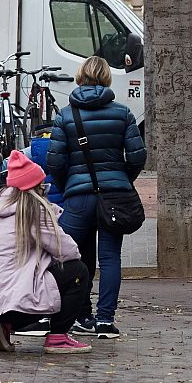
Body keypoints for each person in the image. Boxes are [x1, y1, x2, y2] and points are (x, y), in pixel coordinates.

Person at [47, 56, 146, 340]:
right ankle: (106, 320)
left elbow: (55, 162)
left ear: (79, 78)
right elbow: (138, 156)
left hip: (78, 199)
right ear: (106, 79)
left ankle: (82, 314)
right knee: (111, 257)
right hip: (114, 197)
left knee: (73, 257)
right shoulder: (123, 113)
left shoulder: (66, 115)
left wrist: (69, 186)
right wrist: (123, 178)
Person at [0, 151, 95, 355]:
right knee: (77, 271)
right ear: (34, 187)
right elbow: (65, 250)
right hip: (9, 291)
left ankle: (5, 324)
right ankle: (58, 336)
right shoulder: (31, 208)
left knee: (35, 280)